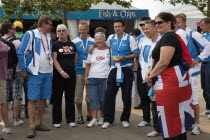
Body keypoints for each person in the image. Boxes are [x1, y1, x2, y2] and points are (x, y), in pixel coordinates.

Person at [146, 12, 194, 140]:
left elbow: (163, 62)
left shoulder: (169, 37)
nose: (157, 25)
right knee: (176, 121)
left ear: (169, 23)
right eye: (155, 22)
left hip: (170, 83)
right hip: (173, 82)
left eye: (160, 22)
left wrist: (150, 75)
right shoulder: (168, 37)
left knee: (170, 121)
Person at [18, 15, 53, 138]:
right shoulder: (30, 34)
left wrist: (51, 71)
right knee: (32, 99)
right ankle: (31, 125)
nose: (51, 26)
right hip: (35, 72)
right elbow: (21, 52)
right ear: (43, 24)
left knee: (44, 98)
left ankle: (38, 122)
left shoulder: (48, 37)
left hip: (47, 72)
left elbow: (49, 55)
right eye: (49, 24)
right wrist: (23, 69)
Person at [176, 13, 210, 135]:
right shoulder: (175, 35)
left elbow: (208, 45)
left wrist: (198, 59)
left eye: (179, 22)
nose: (177, 25)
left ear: (185, 23)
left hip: (191, 71)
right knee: (181, 98)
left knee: (194, 98)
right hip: (179, 72)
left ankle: (197, 124)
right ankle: (186, 122)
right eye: (176, 22)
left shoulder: (193, 34)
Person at [102, 19, 139, 129]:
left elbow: (136, 53)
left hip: (126, 69)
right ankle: (108, 120)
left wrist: (124, 58)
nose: (117, 28)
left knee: (126, 96)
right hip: (114, 69)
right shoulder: (111, 38)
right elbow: (103, 45)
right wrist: (93, 46)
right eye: (115, 27)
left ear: (123, 27)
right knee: (109, 95)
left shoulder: (130, 38)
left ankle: (125, 119)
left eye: (119, 26)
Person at [138, 20, 161, 137]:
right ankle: (157, 128)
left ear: (154, 28)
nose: (145, 30)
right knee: (153, 102)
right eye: (144, 28)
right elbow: (143, 60)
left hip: (159, 78)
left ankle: (161, 127)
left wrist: (152, 73)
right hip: (147, 78)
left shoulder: (161, 41)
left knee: (158, 104)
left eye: (147, 28)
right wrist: (145, 75)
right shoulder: (143, 41)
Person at [52, 24, 77, 128]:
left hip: (71, 75)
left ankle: (70, 119)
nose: (61, 32)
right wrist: (62, 72)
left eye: (63, 30)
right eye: (59, 31)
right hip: (59, 75)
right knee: (57, 98)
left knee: (70, 97)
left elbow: (75, 57)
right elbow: (54, 60)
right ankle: (57, 120)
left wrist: (69, 69)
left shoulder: (72, 44)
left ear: (66, 32)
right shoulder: (55, 45)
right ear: (57, 33)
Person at [1, 22, 24, 134]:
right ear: (10, 30)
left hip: (4, 72)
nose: (15, 30)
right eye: (14, 28)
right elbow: (22, 55)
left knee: (4, 96)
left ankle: (4, 120)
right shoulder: (17, 41)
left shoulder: (1, 41)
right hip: (16, 70)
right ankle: (16, 120)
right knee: (17, 95)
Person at [85, 32, 110, 128]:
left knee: (103, 99)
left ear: (104, 40)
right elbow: (87, 65)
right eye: (96, 39)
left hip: (104, 78)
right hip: (92, 78)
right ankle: (94, 119)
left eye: (100, 39)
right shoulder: (92, 50)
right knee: (93, 98)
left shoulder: (109, 50)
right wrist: (86, 77)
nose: (99, 41)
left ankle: (102, 117)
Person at [72, 22, 95, 124]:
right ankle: (80, 115)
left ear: (88, 30)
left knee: (90, 95)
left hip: (91, 71)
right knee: (78, 94)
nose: (82, 31)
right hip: (78, 71)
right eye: (80, 29)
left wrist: (94, 46)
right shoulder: (74, 42)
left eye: (84, 29)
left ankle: (89, 114)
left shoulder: (93, 41)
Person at [135, 17, 151, 110]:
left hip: (152, 68)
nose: (143, 27)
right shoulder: (138, 39)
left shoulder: (157, 37)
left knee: (152, 94)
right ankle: (146, 118)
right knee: (142, 91)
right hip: (141, 67)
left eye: (145, 25)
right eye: (141, 25)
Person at [199, 17, 210, 118]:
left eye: (202, 25)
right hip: (204, 63)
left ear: (208, 24)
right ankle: (208, 108)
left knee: (209, 87)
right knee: (204, 87)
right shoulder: (204, 36)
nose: (200, 27)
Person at [0, 37, 10, 140]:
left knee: (2, 103)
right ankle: (7, 127)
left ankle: (7, 127)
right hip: (2, 76)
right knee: (2, 102)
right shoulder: (4, 45)